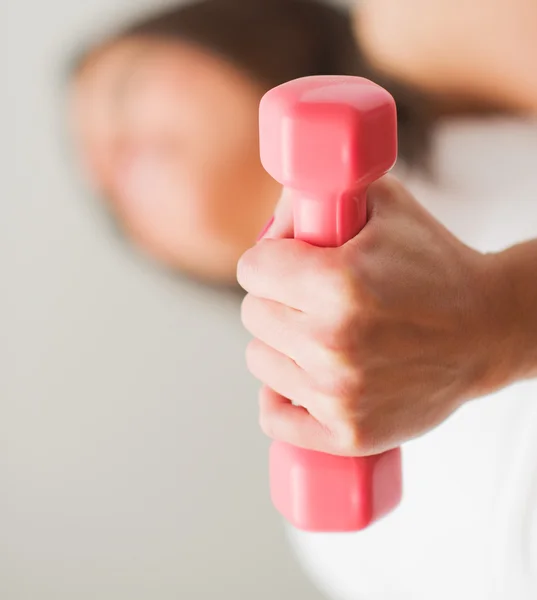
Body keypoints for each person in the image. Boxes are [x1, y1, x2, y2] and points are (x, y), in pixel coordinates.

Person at [238, 0, 537, 598]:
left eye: (124, 88)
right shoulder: (335, 551)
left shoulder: (412, 26)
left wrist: (501, 317)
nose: (107, 158)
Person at [69, 0, 429, 284]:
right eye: (110, 199)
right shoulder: (332, 368)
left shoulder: (413, 31)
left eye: (125, 92)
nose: (114, 153)